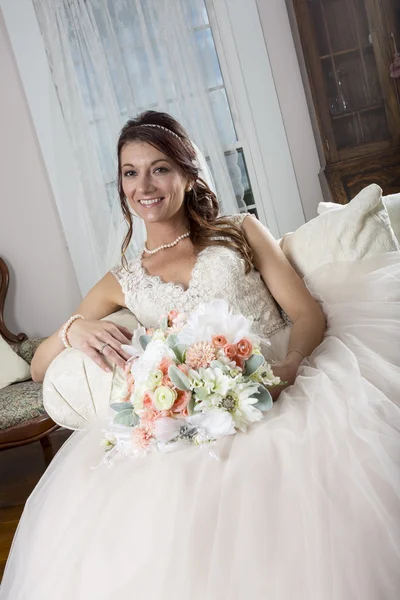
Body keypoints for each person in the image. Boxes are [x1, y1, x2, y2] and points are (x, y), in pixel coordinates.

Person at [1, 111, 399, 599]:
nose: (144, 185)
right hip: (203, 408)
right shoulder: (121, 280)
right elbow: (39, 367)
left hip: (288, 376)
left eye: (160, 168)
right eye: (130, 171)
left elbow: (306, 312)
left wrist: (292, 365)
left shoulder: (239, 232)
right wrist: (72, 328)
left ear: (188, 176)